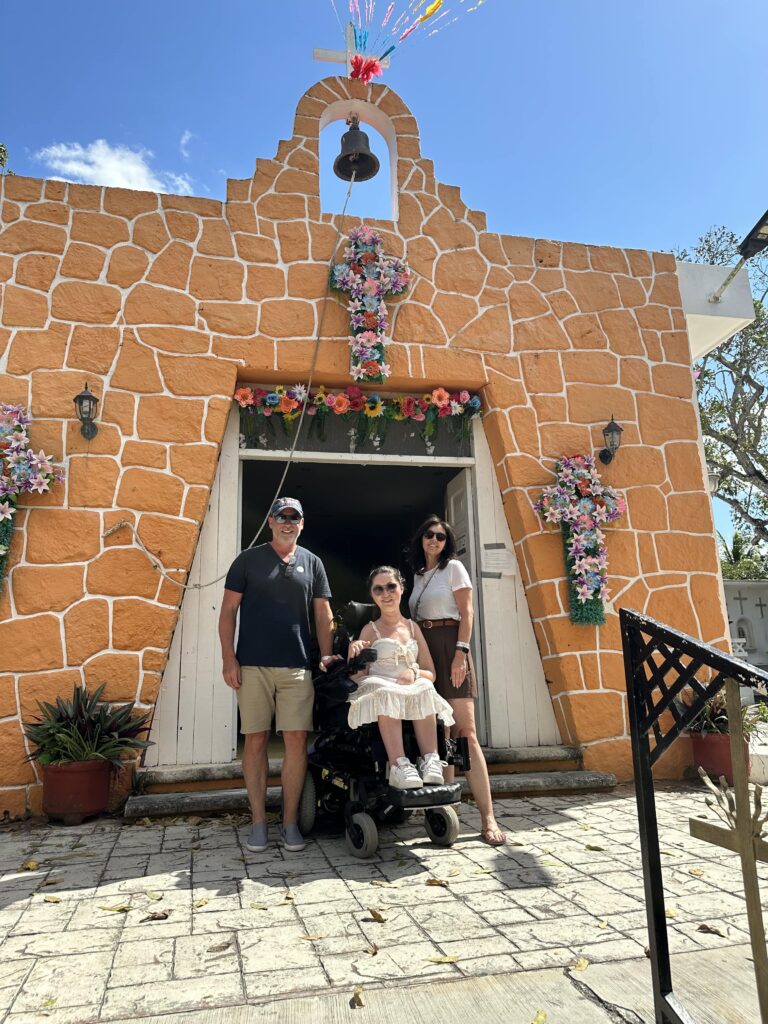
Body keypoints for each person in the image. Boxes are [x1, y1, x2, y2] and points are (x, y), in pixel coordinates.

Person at [219, 497, 334, 854]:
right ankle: (257, 823)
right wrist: (229, 659)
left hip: (296, 668)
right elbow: (227, 614)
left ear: (303, 523)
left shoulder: (313, 563)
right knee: (255, 740)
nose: (287, 523)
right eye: (281, 517)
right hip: (252, 666)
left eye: (294, 517)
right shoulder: (247, 560)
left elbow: (323, 614)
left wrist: (328, 655)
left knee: (296, 740)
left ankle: (289, 823)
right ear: (270, 521)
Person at [408, 516, 507, 845]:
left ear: (447, 541)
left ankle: (488, 818)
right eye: (428, 535)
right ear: (421, 539)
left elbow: (468, 613)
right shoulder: (419, 574)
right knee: (440, 732)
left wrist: (461, 654)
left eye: (439, 536)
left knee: (465, 732)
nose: (433, 540)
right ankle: (447, 812)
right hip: (425, 650)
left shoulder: (454, 568)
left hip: (452, 644)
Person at [346, 566, 455, 790]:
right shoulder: (370, 630)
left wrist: (413, 672)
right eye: (379, 589)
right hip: (381, 686)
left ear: (401, 589)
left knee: (424, 686)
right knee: (386, 692)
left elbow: (430, 672)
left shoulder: (413, 628)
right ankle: (399, 765)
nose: (386, 593)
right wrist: (353, 650)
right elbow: (358, 675)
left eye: (391, 586)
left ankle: (430, 760)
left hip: (410, 685)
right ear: (373, 596)